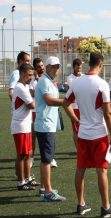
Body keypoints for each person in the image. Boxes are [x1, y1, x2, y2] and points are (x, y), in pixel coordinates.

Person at [64, 52, 111, 217]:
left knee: (80, 169)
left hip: (83, 134)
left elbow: (65, 103)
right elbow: (108, 113)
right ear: (101, 64)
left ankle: (80, 204)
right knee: (101, 171)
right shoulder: (101, 84)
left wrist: (75, 119)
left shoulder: (77, 82)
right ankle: (105, 207)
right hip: (98, 134)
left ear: (89, 63)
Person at [34, 56, 66, 201]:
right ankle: (48, 191)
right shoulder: (45, 81)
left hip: (48, 124)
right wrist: (66, 101)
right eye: (53, 66)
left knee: (46, 158)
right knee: (47, 159)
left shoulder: (50, 81)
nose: (56, 69)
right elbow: (48, 100)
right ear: (47, 67)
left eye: (57, 66)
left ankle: (43, 188)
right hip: (45, 125)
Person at [11, 64, 40, 190]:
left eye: (32, 75)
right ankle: (21, 182)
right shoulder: (20, 88)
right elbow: (32, 105)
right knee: (21, 155)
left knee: (28, 153)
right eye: (29, 75)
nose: (31, 78)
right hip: (20, 125)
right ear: (22, 74)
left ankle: (27, 179)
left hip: (25, 125)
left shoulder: (24, 86)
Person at [29, 58, 45, 167]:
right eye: (39, 66)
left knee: (46, 135)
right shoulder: (31, 79)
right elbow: (31, 92)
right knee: (33, 137)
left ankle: (49, 158)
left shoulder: (46, 77)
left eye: (42, 65)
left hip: (44, 111)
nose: (41, 68)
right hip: (34, 111)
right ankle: (31, 158)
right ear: (35, 68)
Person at [65, 58, 83, 149]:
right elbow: (71, 91)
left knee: (84, 129)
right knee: (76, 130)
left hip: (83, 107)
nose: (79, 69)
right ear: (74, 67)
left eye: (80, 68)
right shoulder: (70, 78)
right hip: (74, 107)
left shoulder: (84, 77)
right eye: (77, 68)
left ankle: (84, 148)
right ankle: (78, 149)